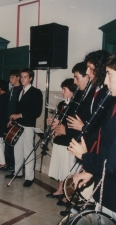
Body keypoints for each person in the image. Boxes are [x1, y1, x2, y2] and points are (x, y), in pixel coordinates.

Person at [68, 53, 116, 220]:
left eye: (109, 74)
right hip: (107, 184)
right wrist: (91, 172)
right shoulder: (112, 103)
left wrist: (85, 157)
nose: (105, 81)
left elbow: (112, 164)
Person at [5, 68, 43, 187]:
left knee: (28, 151)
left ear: (31, 78)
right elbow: (17, 109)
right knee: (17, 150)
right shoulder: (19, 91)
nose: (22, 79)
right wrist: (12, 119)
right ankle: (18, 172)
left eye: (25, 77)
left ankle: (29, 177)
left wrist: (20, 115)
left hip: (28, 126)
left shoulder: (36, 92)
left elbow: (36, 112)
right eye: (21, 77)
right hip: (18, 124)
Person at [46, 78, 80, 206]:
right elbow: (59, 119)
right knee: (60, 166)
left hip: (68, 140)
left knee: (67, 167)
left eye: (64, 89)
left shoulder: (76, 105)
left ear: (72, 91)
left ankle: (68, 194)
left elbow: (72, 124)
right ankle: (60, 189)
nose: (62, 92)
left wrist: (62, 127)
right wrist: (52, 122)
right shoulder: (61, 104)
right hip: (59, 139)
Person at [6, 69, 22, 172]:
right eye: (10, 77)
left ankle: (15, 165)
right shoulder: (12, 89)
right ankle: (11, 163)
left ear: (18, 78)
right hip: (9, 118)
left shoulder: (20, 90)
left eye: (12, 77)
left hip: (15, 120)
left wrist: (12, 119)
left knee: (15, 143)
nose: (10, 79)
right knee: (9, 143)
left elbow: (17, 107)